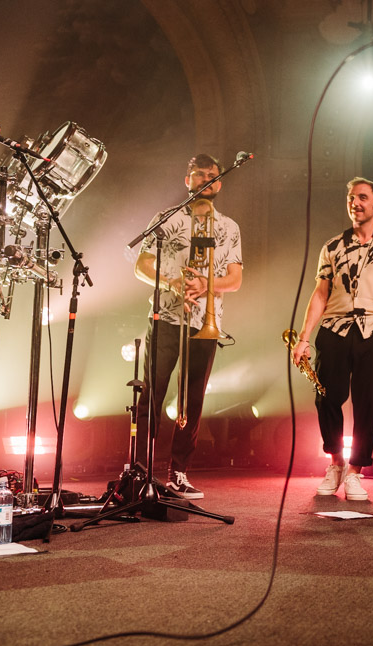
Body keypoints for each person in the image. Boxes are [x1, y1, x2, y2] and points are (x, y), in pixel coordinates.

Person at [291, 177, 373, 502]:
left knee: (367, 403)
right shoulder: (332, 247)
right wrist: (304, 338)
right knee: (327, 398)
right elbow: (320, 293)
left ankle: (356, 471)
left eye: (362, 197)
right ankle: (335, 463)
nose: (354, 203)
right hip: (335, 329)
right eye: (351, 198)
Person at [134, 153, 243, 500]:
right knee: (152, 393)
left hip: (204, 322)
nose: (205, 180)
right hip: (166, 317)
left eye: (212, 175)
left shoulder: (229, 227)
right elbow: (141, 266)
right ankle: (140, 470)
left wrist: (206, 285)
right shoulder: (165, 219)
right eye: (199, 174)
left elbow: (235, 279)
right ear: (187, 180)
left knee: (193, 400)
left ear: (219, 183)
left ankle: (178, 472)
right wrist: (173, 282)